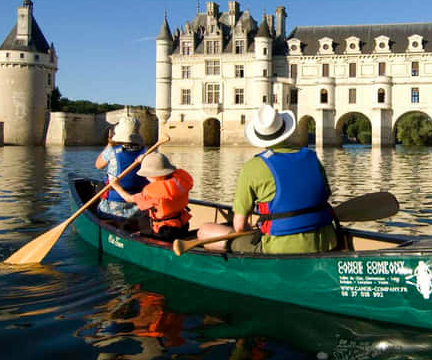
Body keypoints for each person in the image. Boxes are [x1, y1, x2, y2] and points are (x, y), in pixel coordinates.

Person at [197, 105, 337, 254]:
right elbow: (324, 196)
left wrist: (254, 230)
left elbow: (239, 226)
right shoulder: (312, 157)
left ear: (259, 137)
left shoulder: (252, 167)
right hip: (326, 241)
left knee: (204, 231)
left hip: (279, 247)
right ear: (286, 130)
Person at [108, 152, 193, 241]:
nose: (146, 178)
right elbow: (162, 168)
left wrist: (115, 185)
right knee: (144, 216)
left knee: (134, 231)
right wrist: (144, 161)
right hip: (183, 226)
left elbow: (128, 198)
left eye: (147, 175)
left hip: (165, 232)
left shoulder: (151, 193)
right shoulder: (180, 179)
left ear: (152, 176)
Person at [95, 116, 149, 221]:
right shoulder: (145, 151)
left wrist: (109, 144)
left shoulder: (112, 150)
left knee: (100, 188)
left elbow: (98, 165)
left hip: (113, 206)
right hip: (139, 207)